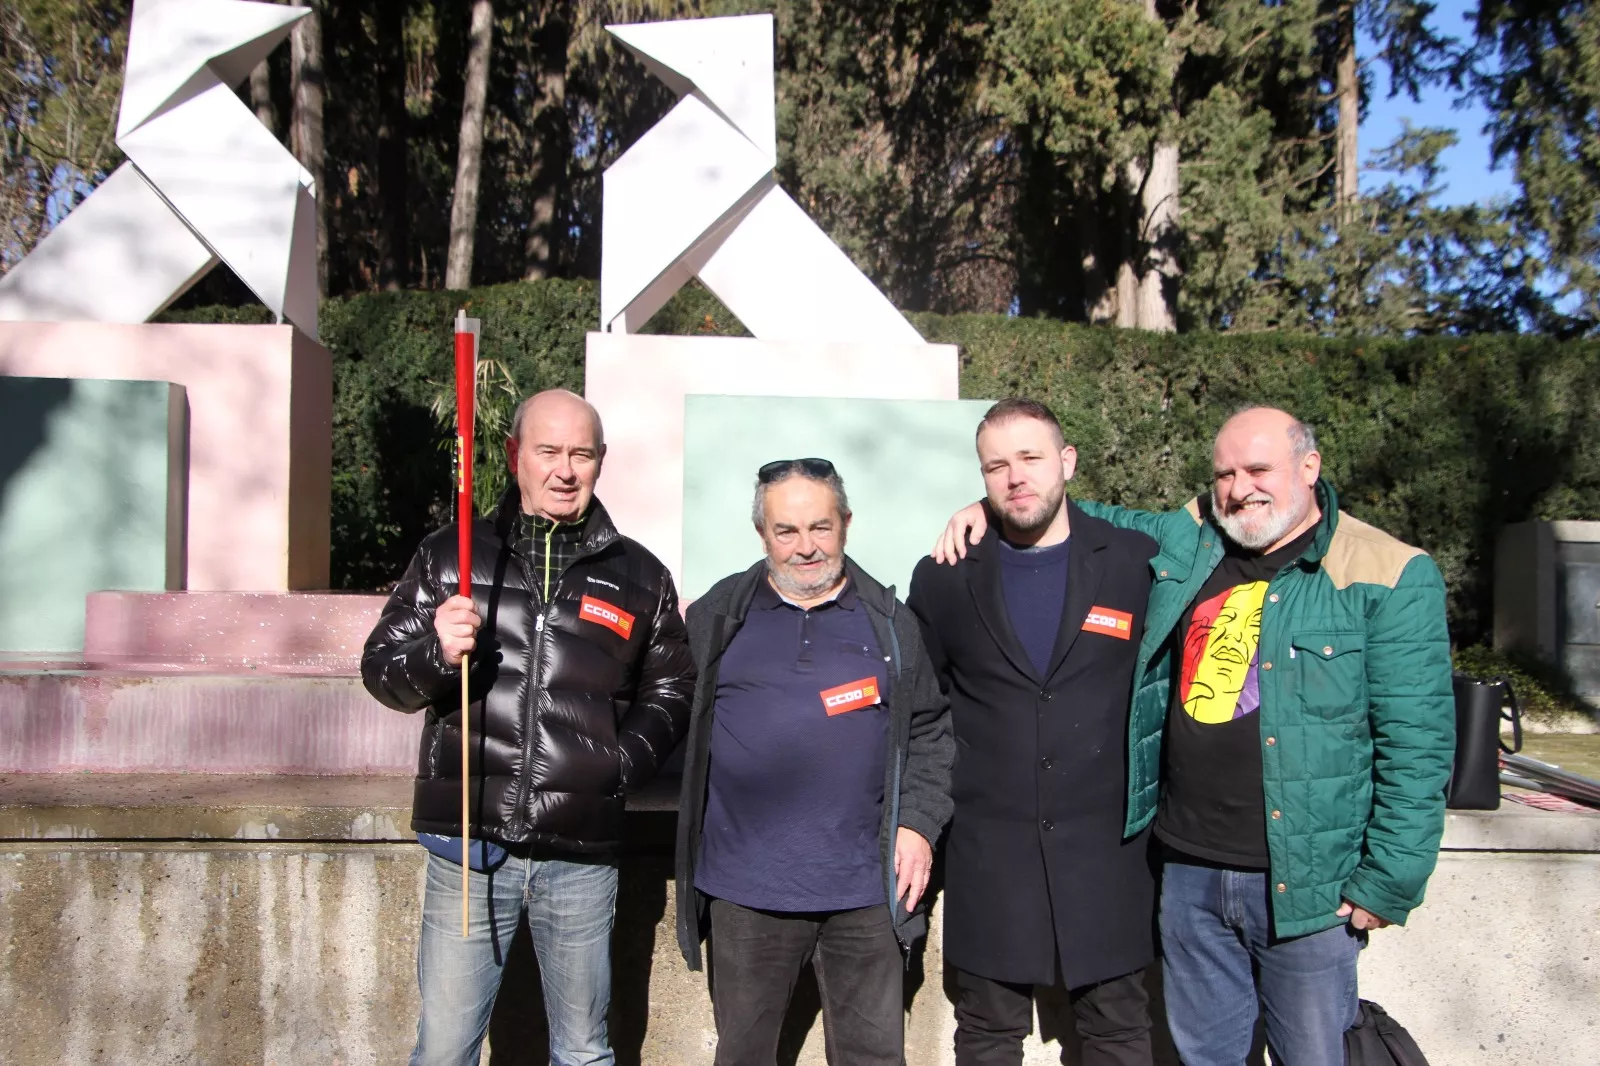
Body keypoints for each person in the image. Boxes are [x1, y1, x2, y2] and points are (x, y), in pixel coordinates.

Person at [934, 406, 1455, 1066]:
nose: (1241, 488)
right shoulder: (1194, 543)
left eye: (1259, 469)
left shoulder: (1385, 571)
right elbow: (1071, 515)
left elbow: (1419, 742)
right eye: (1224, 474)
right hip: (1188, 874)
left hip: (1308, 889)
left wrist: (1389, 879)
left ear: (1310, 467)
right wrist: (984, 506)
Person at [362, 389, 696, 1066]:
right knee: (447, 1047)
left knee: (582, 1050)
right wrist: (435, 651)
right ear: (516, 456)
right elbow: (380, 671)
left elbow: (674, 689)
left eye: (582, 454)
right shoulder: (451, 555)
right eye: (548, 451)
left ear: (601, 462)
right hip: (469, 844)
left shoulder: (637, 576)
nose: (564, 470)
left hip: (580, 854)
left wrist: (616, 765)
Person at [674, 458, 955, 1066]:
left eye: (820, 527)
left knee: (873, 1059)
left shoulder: (889, 623)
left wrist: (918, 823)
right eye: (786, 531)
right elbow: (666, 711)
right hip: (745, 893)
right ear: (763, 535)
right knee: (743, 1056)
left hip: (866, 893)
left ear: (846, 524)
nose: (806, 547)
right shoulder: (717, 618)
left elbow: (932, 728)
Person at [906, 399, 1160, 1066]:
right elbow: (920, 712)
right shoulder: (943, 575)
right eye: (996, 465)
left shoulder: (1137, 563)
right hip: (991, 858)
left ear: (1067, 462)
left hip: (1109, 857)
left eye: (1031, 458)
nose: (1014, 476)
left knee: (1118, 1033)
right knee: (986, 1034)